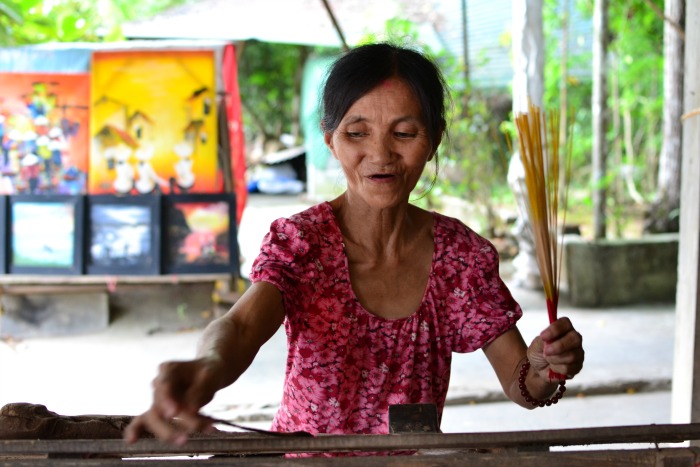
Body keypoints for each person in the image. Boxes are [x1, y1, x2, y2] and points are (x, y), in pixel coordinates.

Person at [124, 42, 584, 445]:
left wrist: (547, 368)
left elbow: (521, 385)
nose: (381, 154)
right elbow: (241, 330)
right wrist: (204, 369)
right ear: (330, 140)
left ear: (434, 140)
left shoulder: (459, 258)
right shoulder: (303, 243)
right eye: (357, 133)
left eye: (404, 133)